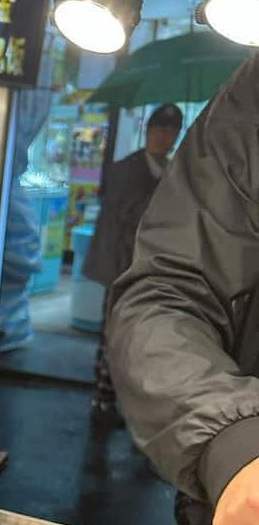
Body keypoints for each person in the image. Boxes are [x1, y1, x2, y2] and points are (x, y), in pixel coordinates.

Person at [110, 56, 259, 525]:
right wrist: (234, 438)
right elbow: (169, 287)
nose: (163, 136)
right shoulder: (249, 105)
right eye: (161, 128)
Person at [83, 104, 184, 412]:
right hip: (121, 265)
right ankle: (104, 394)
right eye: (159, 130)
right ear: (148, 132)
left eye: (171, 131)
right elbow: (130, 211)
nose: (164, 137)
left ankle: (129, 398)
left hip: (152, 267)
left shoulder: (171, 170)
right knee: (114, 330)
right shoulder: (126, 168)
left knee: (143, 334)